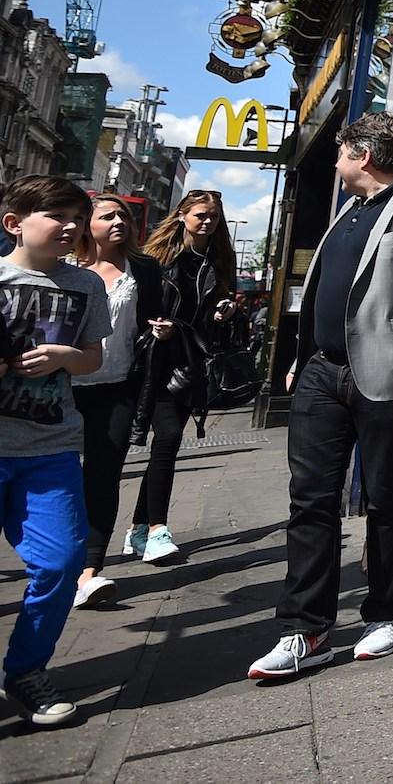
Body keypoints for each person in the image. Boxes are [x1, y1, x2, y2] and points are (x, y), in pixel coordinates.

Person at [248, 114, 393, 680]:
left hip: (389, 373)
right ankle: (306, 629)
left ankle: (386, 613)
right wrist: (301, 360)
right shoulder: (347, 208)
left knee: (386, 496)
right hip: (322, 372)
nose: (335, 159)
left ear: (364, 154)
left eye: (342, 150)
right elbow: (325, 287)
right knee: (310, 500)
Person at [0, 176, 112, 727]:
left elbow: (93, 360)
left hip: (51, 446)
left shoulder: (84, 287)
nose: (70, 226)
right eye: (56, 215)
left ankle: (25, 671)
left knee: (64, 562)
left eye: (76, 216)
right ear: (14, 222)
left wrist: (67, 355)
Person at [124, 191, 237, 565]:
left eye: (214, 218)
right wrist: (156, 326)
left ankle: (139, 529)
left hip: (191, 363)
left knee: (166, 445)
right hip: (155, 360)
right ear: (182, 216)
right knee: (169, 438)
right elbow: (138, 307)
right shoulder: (158, 259)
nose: (208, 222)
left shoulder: (218, 261)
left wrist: (225, 308)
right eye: (202, 215)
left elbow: (218, 304)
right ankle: (157, 529)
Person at [67, 195, 169, 609]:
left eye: (123, 216)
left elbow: (154, 315)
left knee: (104, 475)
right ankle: (57, 561)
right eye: (106, 216)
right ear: (85, 224)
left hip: (118, 386)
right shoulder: (65, 266)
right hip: (60, 387)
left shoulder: (142, 268)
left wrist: (162, 330)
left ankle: (90, 570)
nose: (118, 222)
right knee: (54, 477)